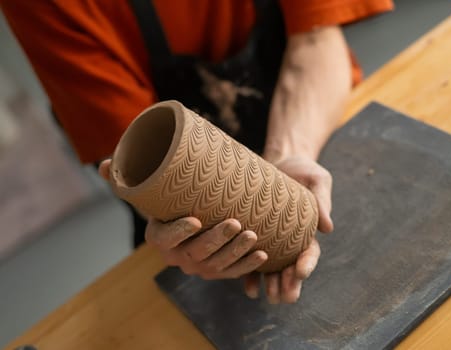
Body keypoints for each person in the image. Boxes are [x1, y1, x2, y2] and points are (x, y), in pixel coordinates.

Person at [1, 0, 393, 304]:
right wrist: (186, 232)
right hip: (194, 213)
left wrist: (285, 159)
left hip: (313, 125)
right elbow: (135, 159)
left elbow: (315, 39)